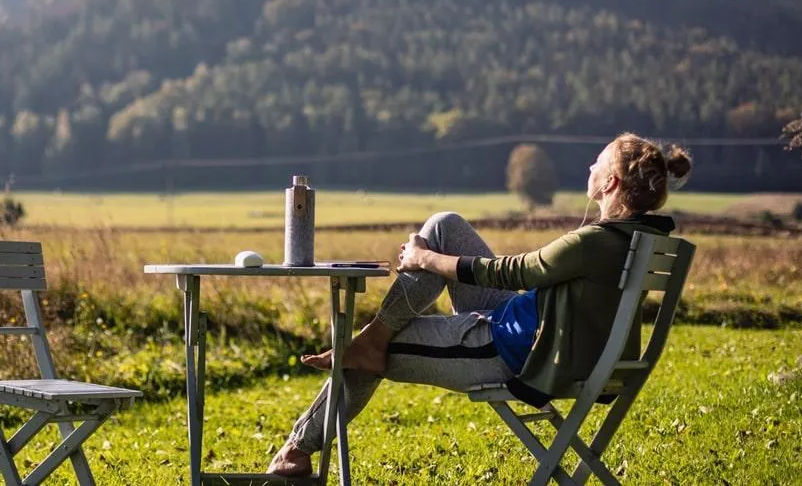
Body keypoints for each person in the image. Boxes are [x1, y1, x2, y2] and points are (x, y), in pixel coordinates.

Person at [268, 133, 693, 476]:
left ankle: (298, 447)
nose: (590, 167)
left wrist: (424, 259)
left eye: (597, 163)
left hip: (510, 350)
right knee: (444, 224)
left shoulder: (597, 242)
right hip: (528, 326)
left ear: (611, 183)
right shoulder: (639, 238)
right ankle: (374, 337)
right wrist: (431, 252)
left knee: (366, 354)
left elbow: (516, 271)